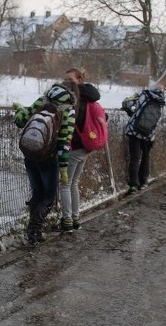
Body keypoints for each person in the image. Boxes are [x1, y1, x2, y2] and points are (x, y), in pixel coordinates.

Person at [13, 81, 77, 246]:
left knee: (37, 193)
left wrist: (20, 108)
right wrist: (63, 169)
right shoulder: (68, 110)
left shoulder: (42, 101)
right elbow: (64, 142)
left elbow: (20, 121)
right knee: (48, 197)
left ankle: (34, 232)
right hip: (49, 159)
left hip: (30, 154)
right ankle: (33, 231)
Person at [60, 68, 101, 232]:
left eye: (70, 79)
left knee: (64, 184)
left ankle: (67, 220)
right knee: (73, 183)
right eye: (65, 79)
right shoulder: (89, 98)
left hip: (74, 146)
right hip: (86, 146)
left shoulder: (74, 99)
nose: (66, 82)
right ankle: (75, 218)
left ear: (79, 80)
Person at [121, 86, 166, 193]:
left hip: (134, 132)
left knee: (135, 158)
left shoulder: (144, 95)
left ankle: (133, 185)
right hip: (149, 134)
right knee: (146, 157)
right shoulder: (161, 101)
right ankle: (143, 181)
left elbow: (130, 105)